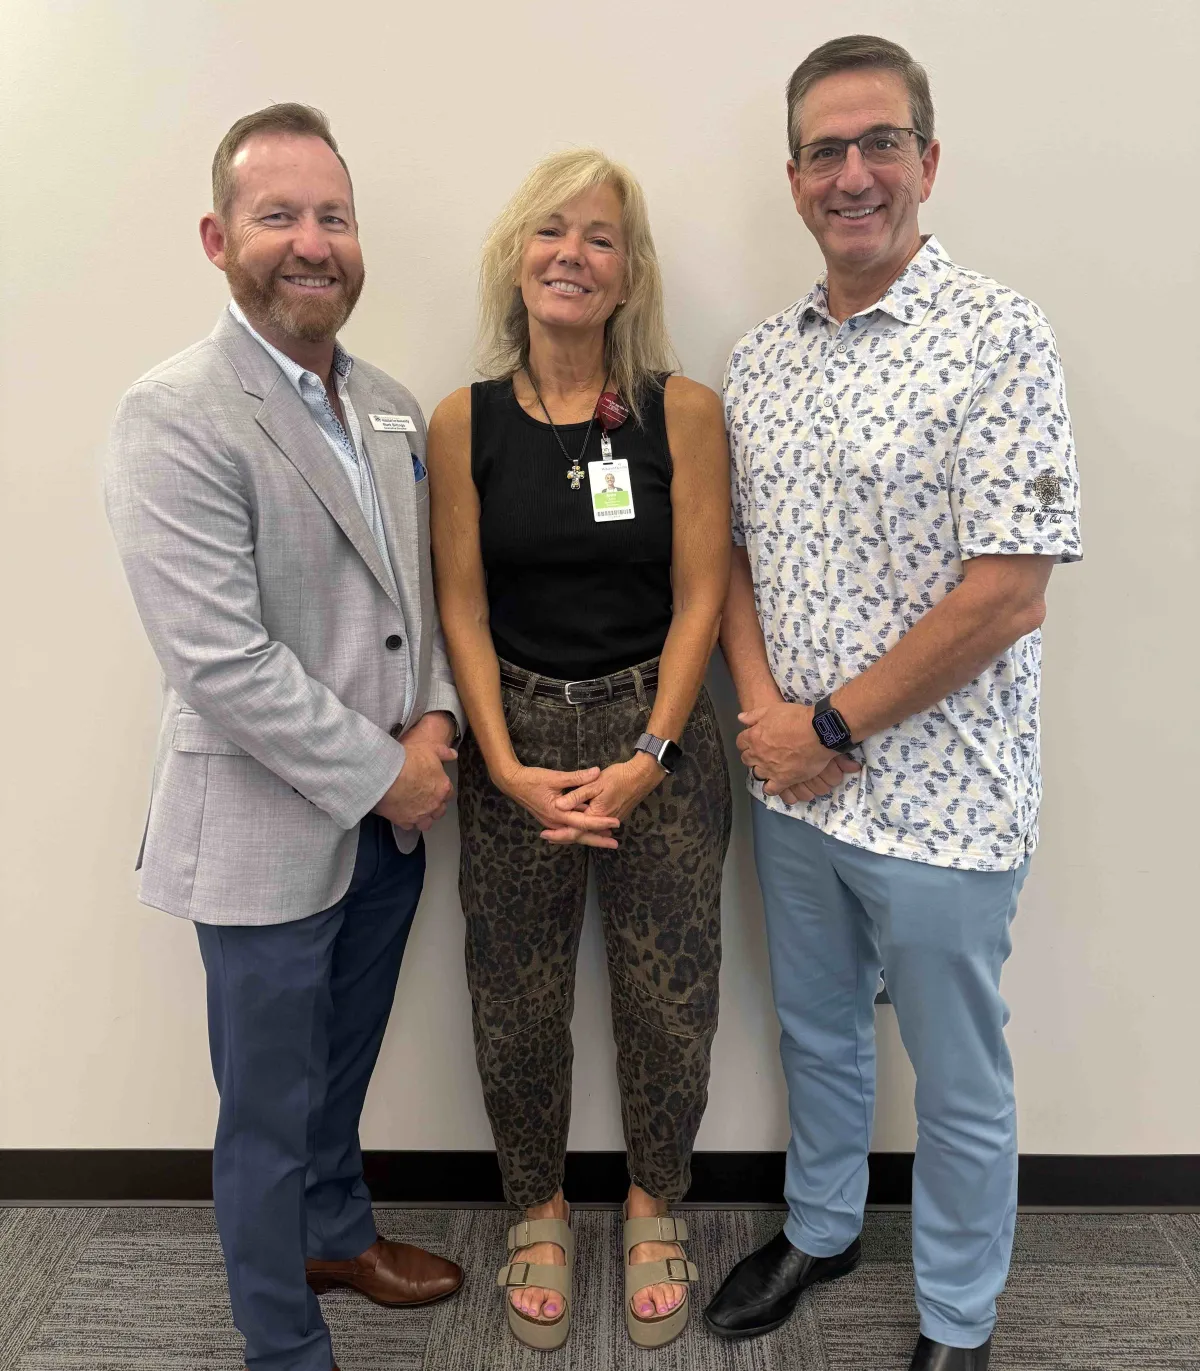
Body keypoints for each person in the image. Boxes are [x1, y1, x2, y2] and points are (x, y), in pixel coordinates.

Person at [703, 36, 1082, 1371]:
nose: (852, 173)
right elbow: (737, 554)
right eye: (824, 149)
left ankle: (959, 1318)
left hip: (947, 801)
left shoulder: (1000, 336)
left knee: (959, 1076)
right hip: (791, 783)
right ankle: (822, 1223)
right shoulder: (759, 362)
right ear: (794, 175)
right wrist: (765, 718)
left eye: (879, 144)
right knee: (813, 1029)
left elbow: (1008, 592)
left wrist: (831, 726)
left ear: (929, 159)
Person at [105, 103, 464, 1371]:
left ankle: (335, 1233)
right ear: (219, 237)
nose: (312, 243)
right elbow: (219, 660)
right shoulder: (176, 414)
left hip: (391, 822)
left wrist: (436, 719)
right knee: (265, 1110)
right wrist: (390, 774)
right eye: (279, 216)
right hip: (269, 823)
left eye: (334, 217)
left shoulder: (389, 406)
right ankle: (280, 1339)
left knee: (340, 1074)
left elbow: (417, 599)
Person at [429, 149, 763, 1351]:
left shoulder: (683, 413)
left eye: (601, 238)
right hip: (514, 739)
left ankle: (654, 1202)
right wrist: (507, 764)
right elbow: (461, 608)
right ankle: (535, 1206)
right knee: (514, 999)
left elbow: (699, 597)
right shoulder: (462, 422)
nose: (573, 254)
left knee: (669, 995)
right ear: (517, 263)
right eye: (549, 233)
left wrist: (656, 749)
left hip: (656, 732)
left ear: (629, 277)